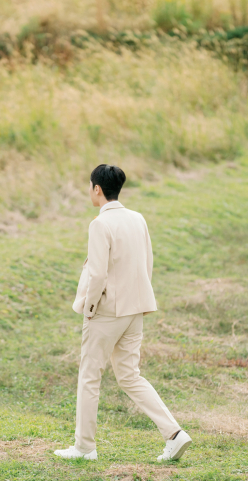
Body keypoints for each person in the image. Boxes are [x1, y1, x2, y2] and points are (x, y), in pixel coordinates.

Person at [54, 164, 192, 462]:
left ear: (97, 189)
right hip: (136, 307)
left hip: (107, 311)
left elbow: (98, 274)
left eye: (90, 186)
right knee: (129, 375)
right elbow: (147, 263)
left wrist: (89, 309)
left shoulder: (99, 224)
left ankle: (84, 447)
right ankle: (174, 434)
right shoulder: (138, 218)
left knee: (90, 376)